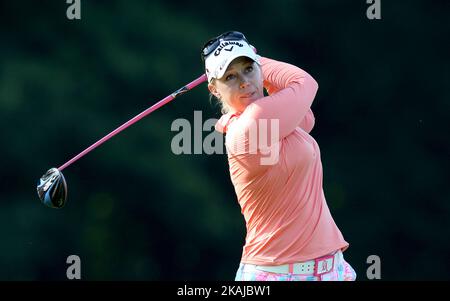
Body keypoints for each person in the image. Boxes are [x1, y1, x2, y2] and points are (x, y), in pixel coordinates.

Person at [201, 31, 356, 281]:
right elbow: (304, 83)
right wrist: (258, 59)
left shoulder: (276, 119)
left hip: (330, 270)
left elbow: (307, 116)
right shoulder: (251, 124)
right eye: (230, 76)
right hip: (277, 275)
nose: (244, 82)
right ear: (214, 90)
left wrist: (256, 63)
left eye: (248, 69)